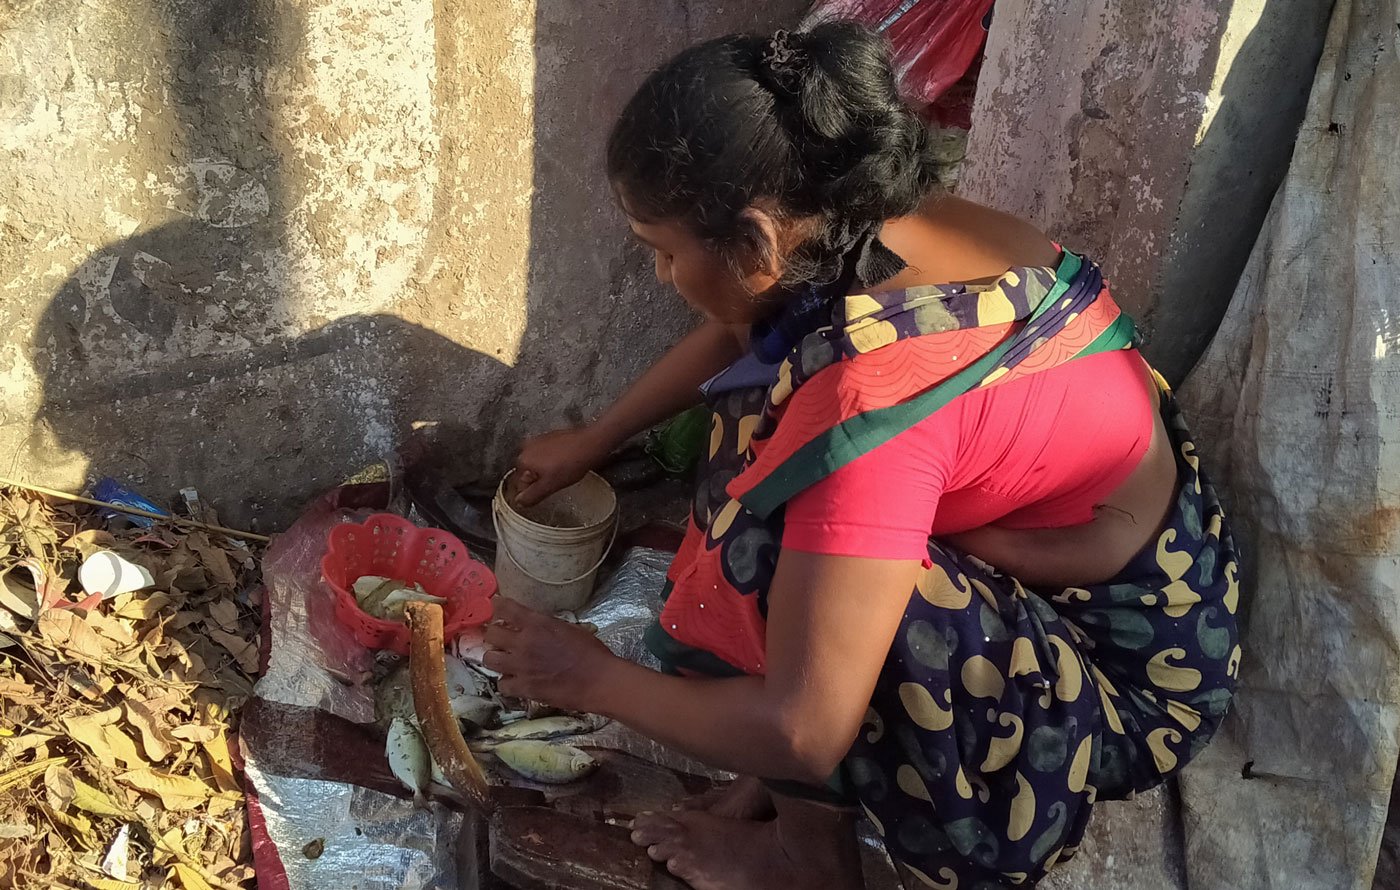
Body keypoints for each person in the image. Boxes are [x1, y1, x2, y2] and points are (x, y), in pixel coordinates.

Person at [484, 23, 1240, 890]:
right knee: (759, 448)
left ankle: (803, 864)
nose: (658, 274)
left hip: (1118, 685)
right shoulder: (871, 221)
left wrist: (591, 676)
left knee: (750, 554)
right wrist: (598, 436)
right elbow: (748, 325)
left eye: (660, 251)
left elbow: (805, 727)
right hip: (1119, 568)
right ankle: (784, 784)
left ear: (759, 243)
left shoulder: (867, 408)